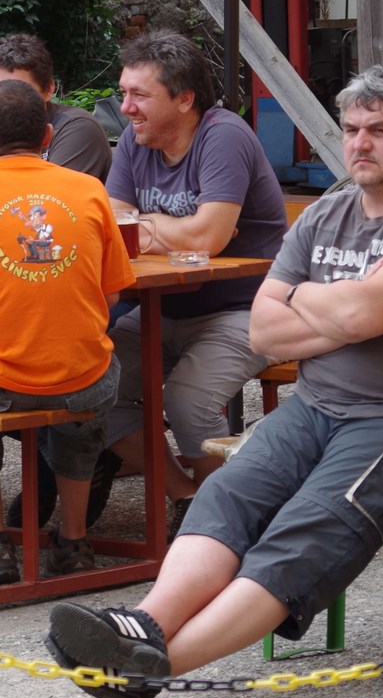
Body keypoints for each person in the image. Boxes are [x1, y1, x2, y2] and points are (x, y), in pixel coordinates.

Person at [45, 66, 383, 688]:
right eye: (351, 129)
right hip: (317, 403)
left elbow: (366, 313)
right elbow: (264, 330)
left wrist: (317, 300)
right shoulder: (327, 213)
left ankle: (148, 670)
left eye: (379, 130)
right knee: (227, 493)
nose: (360, 142)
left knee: (310, 525)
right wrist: (352, 308)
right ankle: (145, 626)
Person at [0, 80, 135, 583]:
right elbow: (111, 297)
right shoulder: (89, 191)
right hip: (80, 381)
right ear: (48, 136)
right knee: (94, 373)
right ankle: (74, 540)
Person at [104, 30, 286, 517]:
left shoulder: (222, 135)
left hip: (245, 308)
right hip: (160, 308)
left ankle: (219, 519)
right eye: (124, 93)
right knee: (94, 387)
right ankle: (187, 496)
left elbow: (209, 236)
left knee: (187, 402)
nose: (126, 108)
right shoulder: (135, 140)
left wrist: (150, 226)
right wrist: (176, 231)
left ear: (184, 99)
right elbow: (111, 225)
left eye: (139, 95)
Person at [0, 34, 112, 180]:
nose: (6, 100)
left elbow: (52, 195)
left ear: (48, 89)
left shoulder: (77, 128)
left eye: (20, 90)